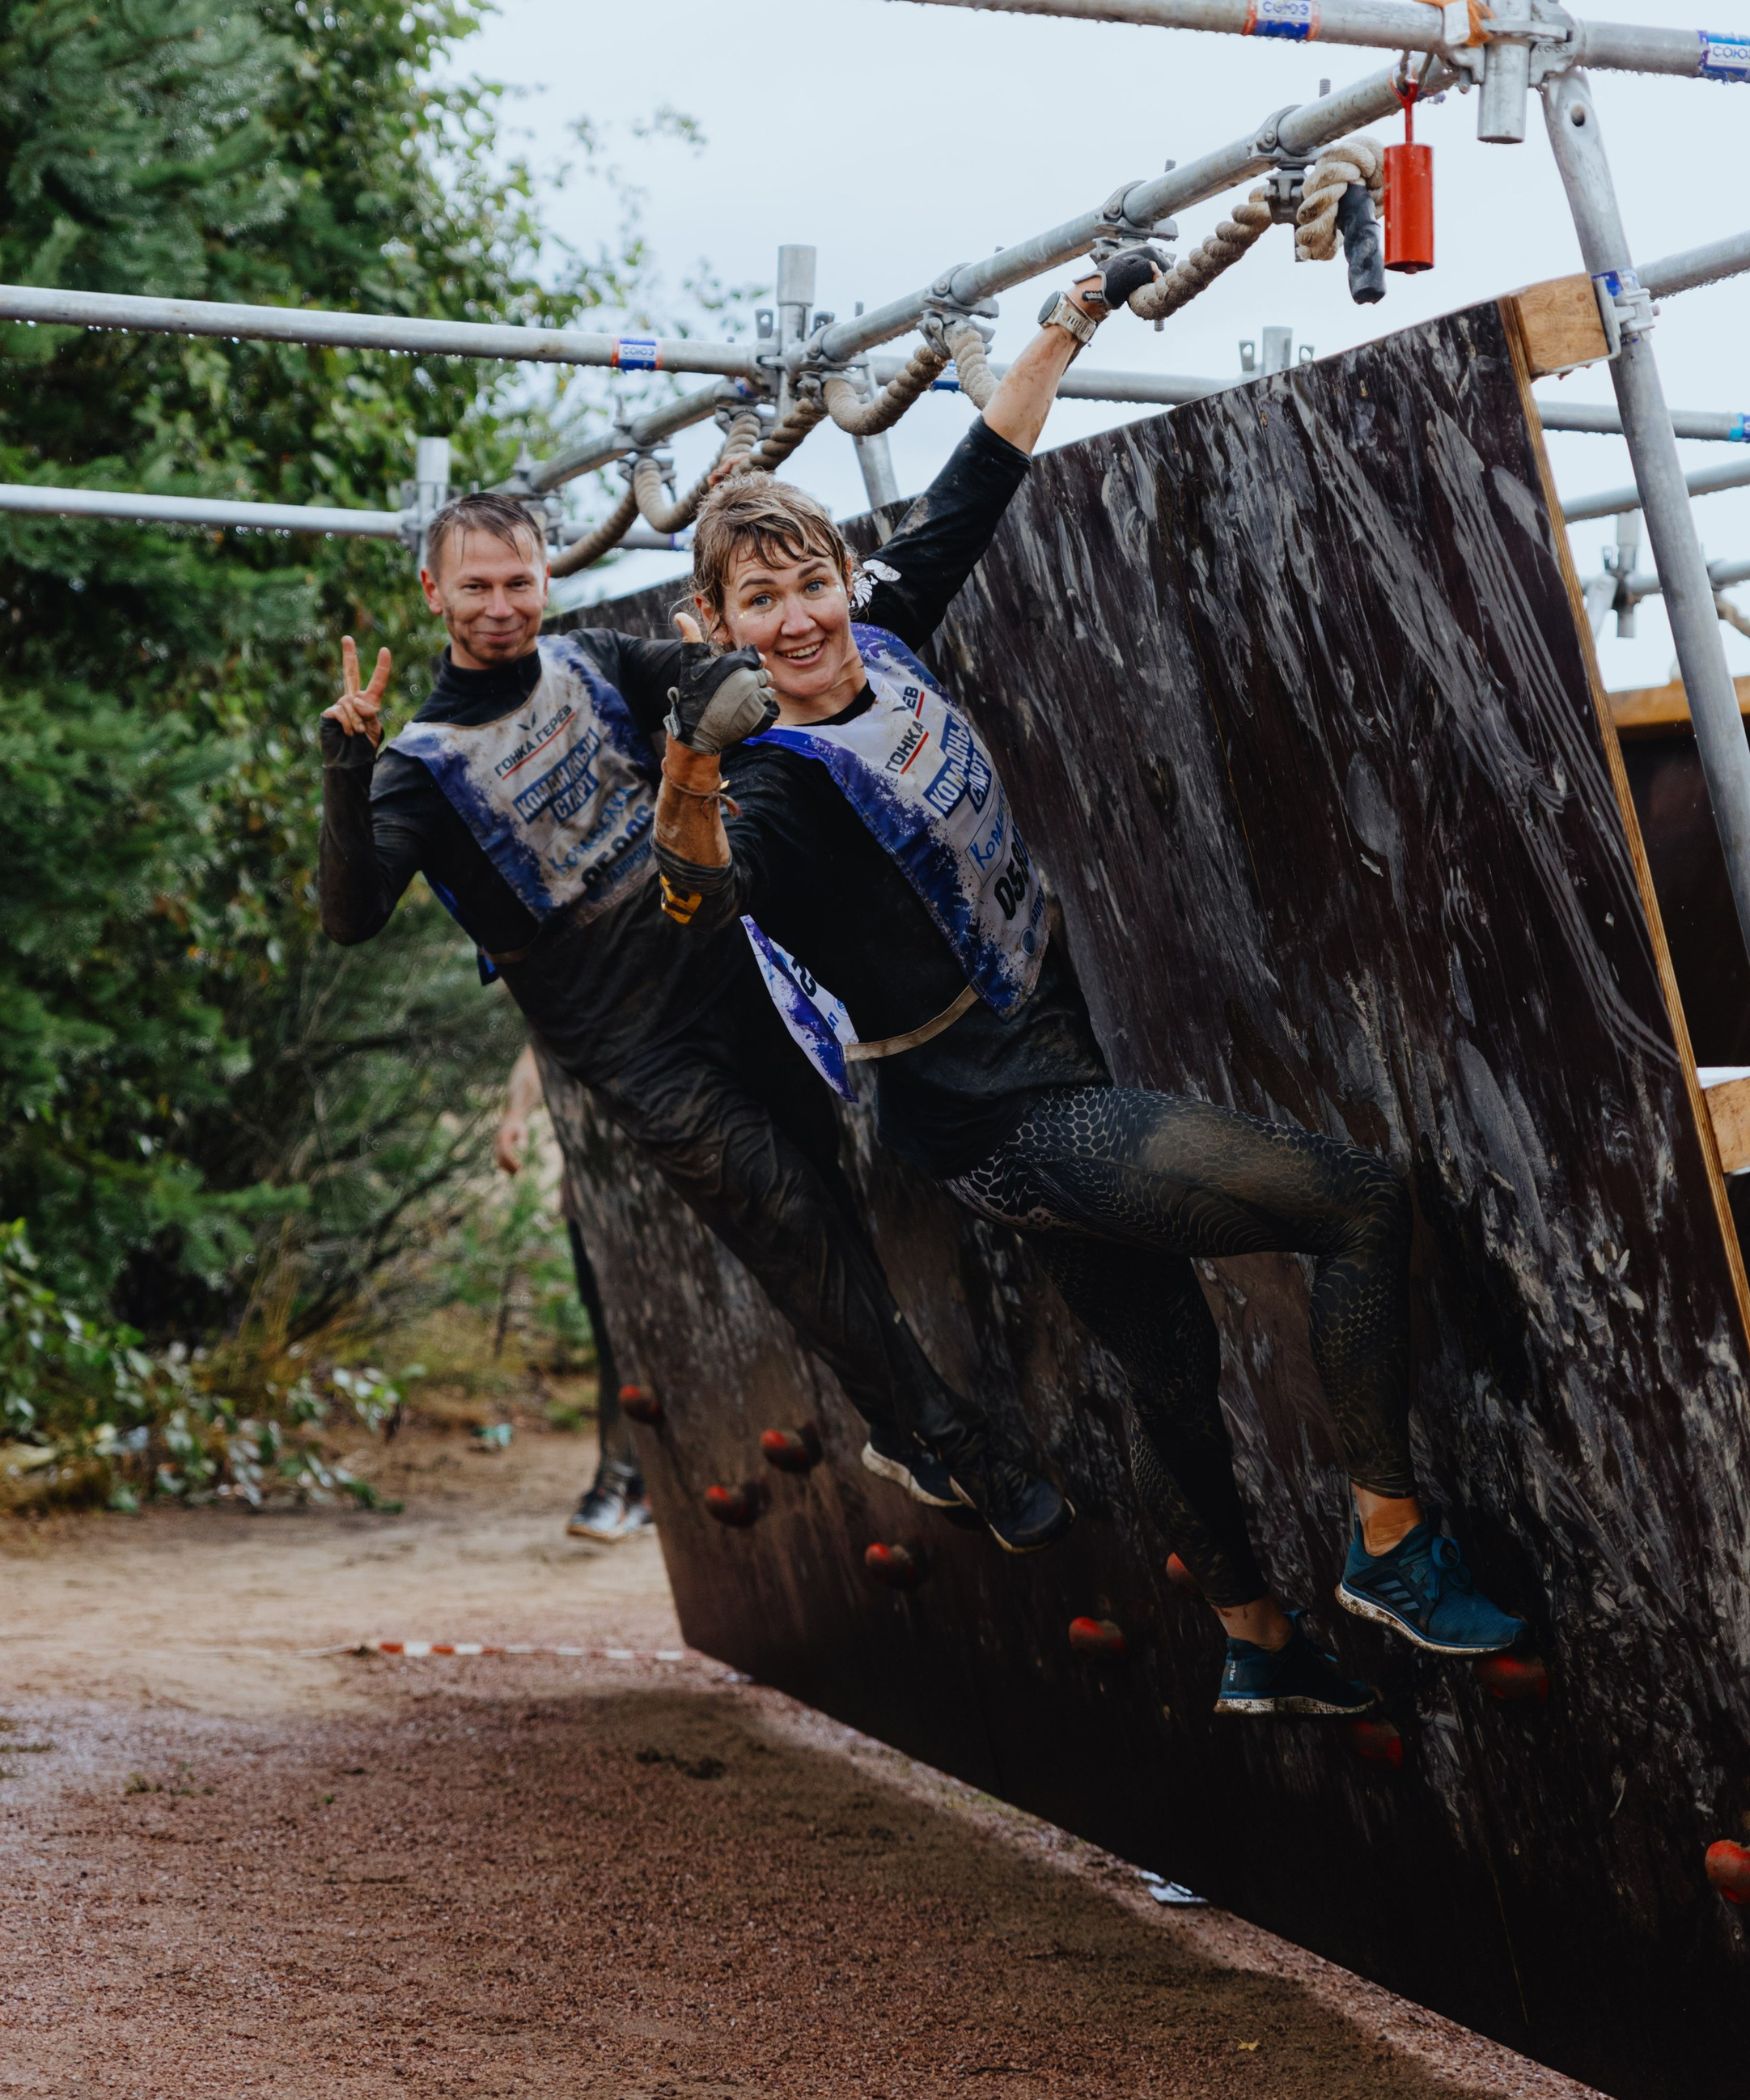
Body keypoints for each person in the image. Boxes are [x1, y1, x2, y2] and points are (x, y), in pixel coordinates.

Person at [651, 274, 1527, 1718]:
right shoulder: (767, 790)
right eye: (761, 602)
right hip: (1003, 1115)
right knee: (1359, 1201)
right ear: (714, 620)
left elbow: (975, 485)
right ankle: (1390, 1546)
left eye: (812, 584)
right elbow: (695, 895)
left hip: (1034, 1073)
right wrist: (688, 764)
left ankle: (1255, 1643)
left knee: (1173, 1364)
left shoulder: (877, 638)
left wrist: (1065, 327)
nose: (799, 620)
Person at [317, 486, 1068, 1551]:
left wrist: (717, 665)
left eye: (519, 581)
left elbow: (736, 699)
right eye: (475, 586)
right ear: (433, 591)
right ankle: (956, 1435)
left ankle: (897, 1426)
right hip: (635, 1050)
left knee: (828, 1195)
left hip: (733, 976)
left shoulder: (593, 666)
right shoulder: (422, 765)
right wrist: (348, 768)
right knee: (787, 1219)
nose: (500, 605)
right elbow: (348, 918)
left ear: (546, 582)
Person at [494, 1040, 651, 1543]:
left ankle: (632, 1488)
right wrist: (516, 1112)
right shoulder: (575, 976)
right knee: (615, 1340)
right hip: (595, 1196)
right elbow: (541, 1043)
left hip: (683, 1190)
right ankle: (622, 1488)